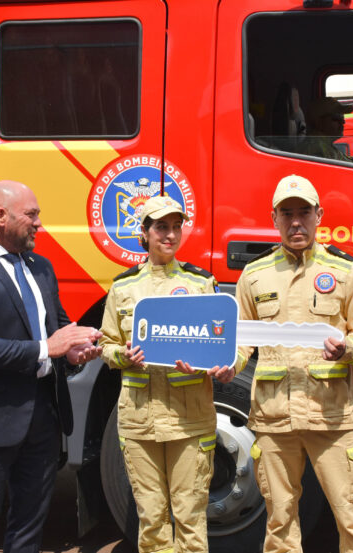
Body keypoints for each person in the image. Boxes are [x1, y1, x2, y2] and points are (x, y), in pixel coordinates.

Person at [0, 180, 102, 553]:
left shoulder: (40, 268)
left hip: (42, 417)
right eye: (32, 215)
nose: (39, 224)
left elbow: (57, 330)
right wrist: (48, 347)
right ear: (0, 216)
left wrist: (74, 351)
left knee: (29, 527)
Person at [234, 175, 353, 553]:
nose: (296, 222)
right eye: (287, 214)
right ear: (274, 219)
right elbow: (241, 341)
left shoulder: (346, 271)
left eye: (303, 213)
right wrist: (225, 366)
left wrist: (347, 348)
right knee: (279, 521)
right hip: (273, 418)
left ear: (319, 216)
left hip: (332, 415)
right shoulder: (253, 275)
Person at [99, 195, 234, 553]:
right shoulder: (123, 287)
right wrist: (122, 355)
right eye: (161, 227)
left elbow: (219, 346)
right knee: (152, 520)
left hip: (190, 420)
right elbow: (107, 345)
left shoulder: (200, 284)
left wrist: (210, 364)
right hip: (140, 420)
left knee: (190, 518)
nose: (170, 235)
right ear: (144, 233)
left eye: (176, 227)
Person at [300, 97, 353, 165]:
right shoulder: (316, 149)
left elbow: (350, 162)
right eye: (336, 118)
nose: (343, 122)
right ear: (319, 122)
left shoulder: (326, 146)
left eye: (342, 117)